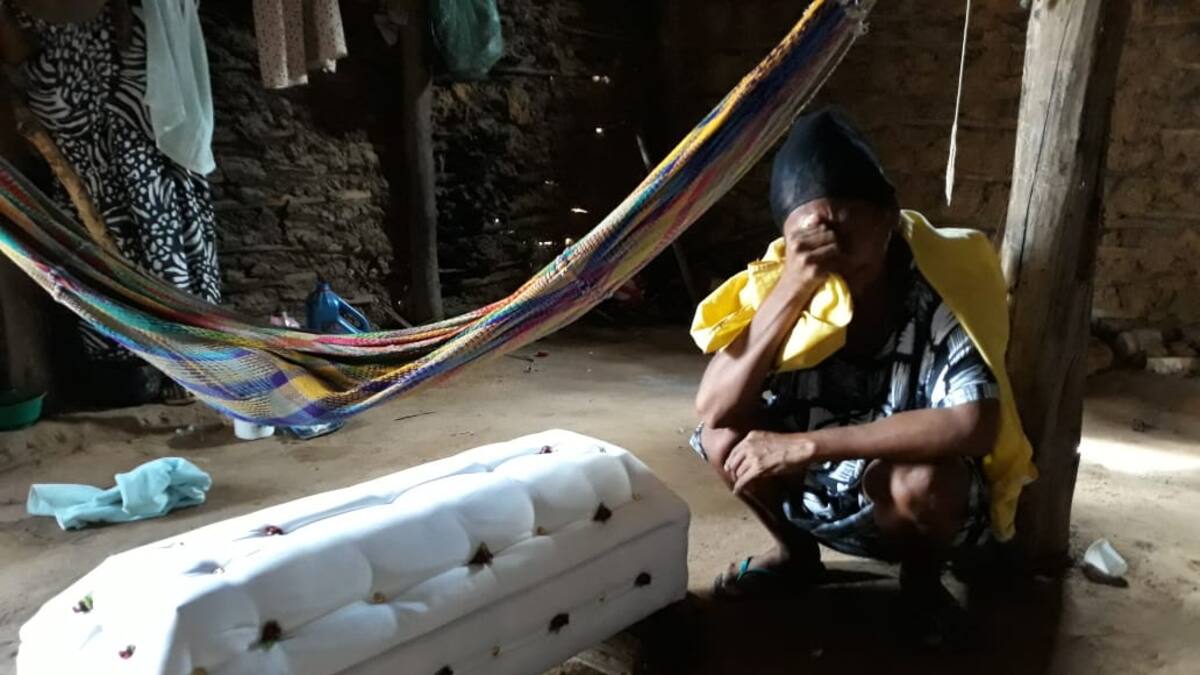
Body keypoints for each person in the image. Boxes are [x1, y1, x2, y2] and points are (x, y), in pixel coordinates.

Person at [691, 108, 1007, 639]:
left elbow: (975, 421)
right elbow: (713, 408)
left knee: (927, 483)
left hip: (899, 498)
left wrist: (808, 446)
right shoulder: (786, 285)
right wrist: (793, 286)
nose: (831, 246)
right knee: (720, 437)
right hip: (821, 492)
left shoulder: (934, 291)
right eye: (810, 236)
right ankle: (795, 555)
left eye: (845, 225)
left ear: (888, 218)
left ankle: (921, 583)